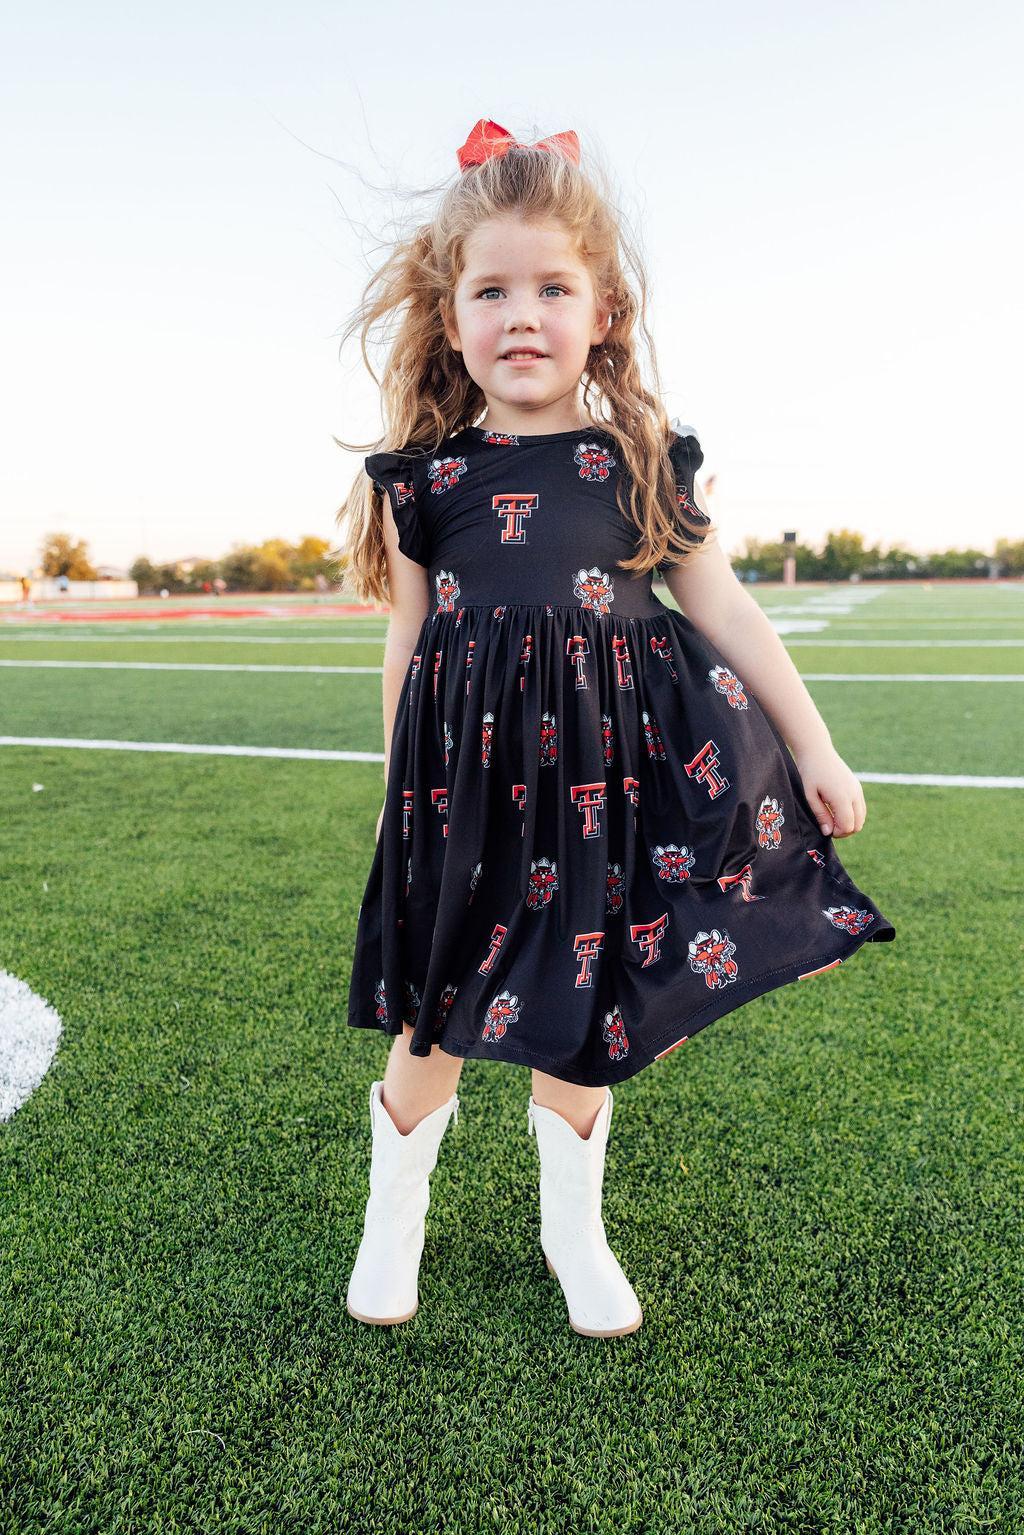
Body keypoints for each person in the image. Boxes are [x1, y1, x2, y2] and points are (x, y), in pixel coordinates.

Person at [335, 118, 896, 1337]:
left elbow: (727, 609)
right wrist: (397, 791)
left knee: (583, 1012)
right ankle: (395, 1215)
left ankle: (570, 1224)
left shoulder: (639, 461)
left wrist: (813, 744)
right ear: (450, 314)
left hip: (605, 789)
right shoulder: (424, 483)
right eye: (491, 288)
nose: (521, 313)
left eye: (551, 286)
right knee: (434, 1011)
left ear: (603, 311)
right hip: (468, 797)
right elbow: (406, 645)